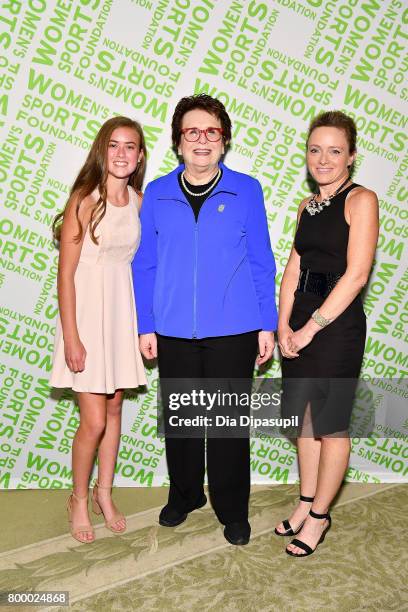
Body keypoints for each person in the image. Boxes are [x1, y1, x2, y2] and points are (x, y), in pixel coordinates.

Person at [132, 94, 277, 545]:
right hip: (173, 329)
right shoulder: (155, 192)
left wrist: (266, 323)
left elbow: (260, 261)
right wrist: (145, 323)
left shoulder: (247, 189)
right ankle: (186, 495)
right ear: (178, 142)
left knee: (228, 427)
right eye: (191, 131)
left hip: (234, 330)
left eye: (211, 131)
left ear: (224, 140)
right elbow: (145, 263)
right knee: (183, 420)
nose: (201, 140)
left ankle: (232, 509)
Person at [275, 111, 379, 556]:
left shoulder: (362, 200)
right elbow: (295, 268)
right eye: (315, 149)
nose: (323, 158)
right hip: (299, 324)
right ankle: (304, 502)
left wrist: (310, 329)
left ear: (351, 156)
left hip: (335, 329)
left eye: (335, 150)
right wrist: (283, 325)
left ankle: (319, 517)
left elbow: (356, 275)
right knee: (304, 423)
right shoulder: (306, 205)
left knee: (331, 426)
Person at [50, 116, 147, 543]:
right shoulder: (83, 201)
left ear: (140, 156)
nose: (122, 153)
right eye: (114, 145)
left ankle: (103, 493)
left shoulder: (140, 201)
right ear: (101, 151)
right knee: (92, 421)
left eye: (131, 146)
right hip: (87, 318)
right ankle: (77, 497)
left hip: (120, 316)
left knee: (113, 411)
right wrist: (72, 336)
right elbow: (65, 275)